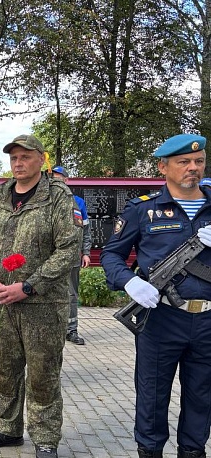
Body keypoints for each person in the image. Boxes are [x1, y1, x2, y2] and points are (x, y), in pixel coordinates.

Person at [0, 134, 81, 458]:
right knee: (4, 369)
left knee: (43, 373)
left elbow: (67, 249)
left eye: (25, 157)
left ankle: (45, 438)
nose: (18, 164)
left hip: (42, 305)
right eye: (14, 158)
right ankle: (7, 428)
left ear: (40, 159)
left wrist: (28, 286)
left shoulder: (57, 196)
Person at [101, 134, 211, 458]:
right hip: (161, 320)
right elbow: (111, 256)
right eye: (184, 162)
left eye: (199, 161)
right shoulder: (143, 209)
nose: (193, 167)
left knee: (202, 397)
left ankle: (193, 452)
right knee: (152, 398)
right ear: (163, 166)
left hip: (207, 320)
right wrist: (130, 284)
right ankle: (149, 451)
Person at [51, 166, 90, 345]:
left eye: (60, 179)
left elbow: (86, 231)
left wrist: (86, 253)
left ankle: (71, 330)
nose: (57, 182)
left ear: (67, 181)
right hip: (49, 258)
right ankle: (51, 329)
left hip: (73, 256)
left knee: (71, 295)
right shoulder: (45, 200)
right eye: (54, 179)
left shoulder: (78, 202)